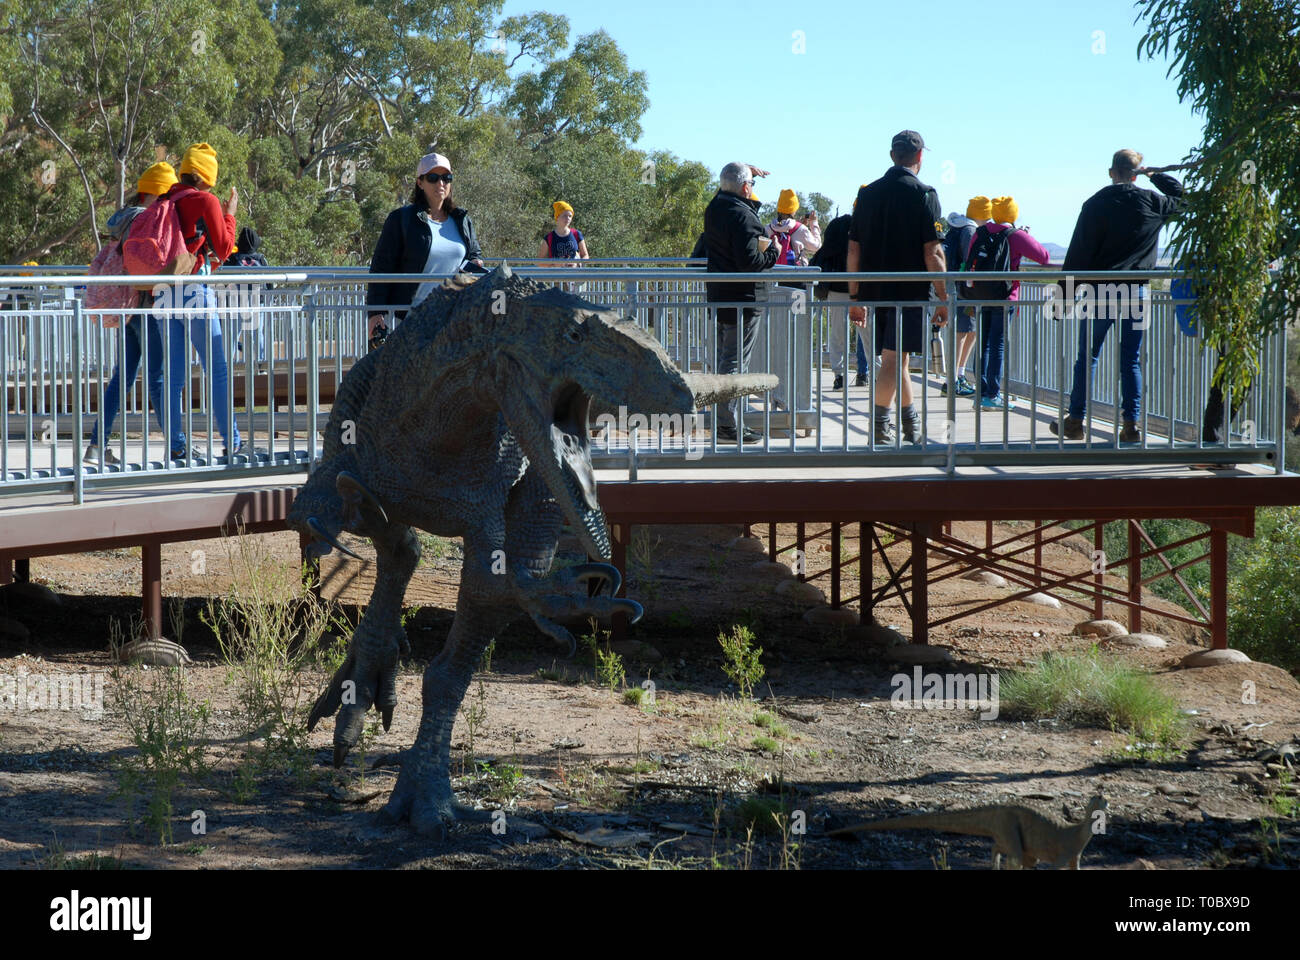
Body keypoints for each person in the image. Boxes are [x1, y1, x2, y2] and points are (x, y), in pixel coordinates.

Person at [1051, 149, 1183, 443]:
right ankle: (1130, 426)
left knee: (1088, 357)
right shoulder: (1153, 201)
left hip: (1101, 291)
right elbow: (1182, 197)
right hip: (1136, 291)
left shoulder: (1095, 203)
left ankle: (1074, 421)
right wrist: (1155, 174)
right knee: (1130, 360)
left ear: (1112, 172)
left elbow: (1078, 253)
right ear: (1136, 174)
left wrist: (1064, 298)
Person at [847, 130, 950, 444]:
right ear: (920, 157)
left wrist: (855, 296)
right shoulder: (924, 193)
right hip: (910, 291)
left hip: (874, 291)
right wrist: (945, 297)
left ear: (892, 155)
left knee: (898, 358)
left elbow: (853, 250)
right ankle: (879, 425)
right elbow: (932, 251)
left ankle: (910, 424)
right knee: (894, 359)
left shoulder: (868, 193)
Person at [84, 162, 178, 465]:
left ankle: (97, 446)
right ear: (158, 193)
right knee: (158, 378)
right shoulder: (145, 219)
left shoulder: (124, 218)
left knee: (122, 377)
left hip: (128, 308)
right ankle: (177, 445)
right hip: (146, 306)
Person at [156, 142, 243, 459]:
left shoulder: (168, 198)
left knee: (174, 374)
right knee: (217, 370)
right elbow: (225, 248)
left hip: (164, 292)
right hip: (195, 291)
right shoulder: (205, 200)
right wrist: (229, 213)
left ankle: (177, 445)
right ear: (207, 175)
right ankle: (232, 441)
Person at [366, 152, 486, 345]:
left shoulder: (462, 220)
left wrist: (476, 263)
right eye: (433, 178)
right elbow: (381, 267)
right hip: (406, 320)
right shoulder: (401, 219)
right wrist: (375, 313)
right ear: (420, 182)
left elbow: (474, 254)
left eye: (446, 178)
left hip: (450, 320)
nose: (441, 183)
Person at [702, 161, 780, 443]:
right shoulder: (743, 216)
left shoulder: (714, 210)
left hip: (721, 296)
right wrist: (773, 251)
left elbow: (723, 190)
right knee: (734, 364)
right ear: (746, 187)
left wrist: (741, 171)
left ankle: (726, 422)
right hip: (743, 299)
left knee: (725, 360)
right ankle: (726, 427)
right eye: (751, 185)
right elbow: (751, 263)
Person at [965, 196, 1050, 410]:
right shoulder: (1015, 235)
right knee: (998, 345)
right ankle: (993, 395)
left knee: (983, 344)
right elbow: (1045, 257)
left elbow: (970, 259)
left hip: (981, 295)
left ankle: (981, 392)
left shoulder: (980, 233)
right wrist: (1024, 237)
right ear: (1013, 215)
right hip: (1005, 297)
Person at [812, 201, 869, 390]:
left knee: (837, 334)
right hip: (862, 291)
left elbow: (825, 250)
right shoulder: (869, 226)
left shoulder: (837, 225)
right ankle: (876, 373)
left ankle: (840, 375)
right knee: (869, 335)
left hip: (836, 288)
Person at [939, 201, 986, 397]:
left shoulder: (958, 226)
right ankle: (953, 380)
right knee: (963, 332)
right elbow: (971, 259)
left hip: (956, 286)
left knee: (970, 331)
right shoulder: (969, 230)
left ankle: (957, 376)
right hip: (965, 289)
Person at [767, 190, 821, 266]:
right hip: (796, 275)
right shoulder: (801, 229)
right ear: (793, 210)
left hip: (773, 275)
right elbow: (817, 246)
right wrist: (814, 223)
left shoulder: (767, 229)